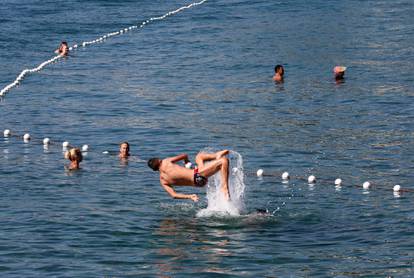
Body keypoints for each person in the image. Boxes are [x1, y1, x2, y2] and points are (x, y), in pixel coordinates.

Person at [147, 150, 230, 202]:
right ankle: (225, 187)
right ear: (159, 160)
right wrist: (186, 161)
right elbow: (184, 155)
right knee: (224, 161)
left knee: (199, 157)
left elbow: (174, 195)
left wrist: (190, 196)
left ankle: (216, 155)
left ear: (155, 170)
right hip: (198, 174)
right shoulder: (166, 162)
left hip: (199, 183)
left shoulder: (162, 180)